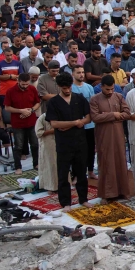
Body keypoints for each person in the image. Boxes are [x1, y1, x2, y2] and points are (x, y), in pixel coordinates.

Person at [45, 72, 92, 210]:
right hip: (63, 143)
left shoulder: (79, 98)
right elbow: (54, 124)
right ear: (59, 87)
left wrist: (75, 123)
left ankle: (83, 198)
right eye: (64, 88)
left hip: (80, 141)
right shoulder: (53, 102)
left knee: (81, 173)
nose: (67, 90)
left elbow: (88, 118)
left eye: (69, 87)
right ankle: (66, 202)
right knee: (63, 173)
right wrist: (73, 123)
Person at [89, 76, 134, 201]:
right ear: (102, 86)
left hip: (118, 134)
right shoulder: (95, 99)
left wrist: (107, 116)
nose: (110, 92)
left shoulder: (118, 97)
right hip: (104, 135)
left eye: (112, 89)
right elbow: (95, 117)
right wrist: (113, 114)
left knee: (120, 160)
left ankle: (123, 191)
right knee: (106, 162)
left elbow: (127, 113)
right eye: (107, 89)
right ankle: (107, 194)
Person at [4, 73, 40, 172]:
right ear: (18, 81)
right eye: (23, 84)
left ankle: (36, 164)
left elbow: (37, 103)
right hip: (18, 123)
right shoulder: (11, 91)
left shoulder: (32, 89)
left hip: (31, 121)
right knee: (18, 146)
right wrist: (21, 111)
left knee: (35, 144)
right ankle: (18, 167)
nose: (25, 86)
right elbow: (7, 107)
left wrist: (31, 110)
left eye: (26, 84)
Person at [71, 66, 97, 178]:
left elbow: (93, 104)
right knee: (77, 150)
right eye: (78, 72)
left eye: (82, 72)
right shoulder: (70, 88)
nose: (81, 74)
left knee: (91, 149)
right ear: (73, 74)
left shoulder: (89, 87)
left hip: (90, 124)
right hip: (77, 123)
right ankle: (76, 174)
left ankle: (90, 171)